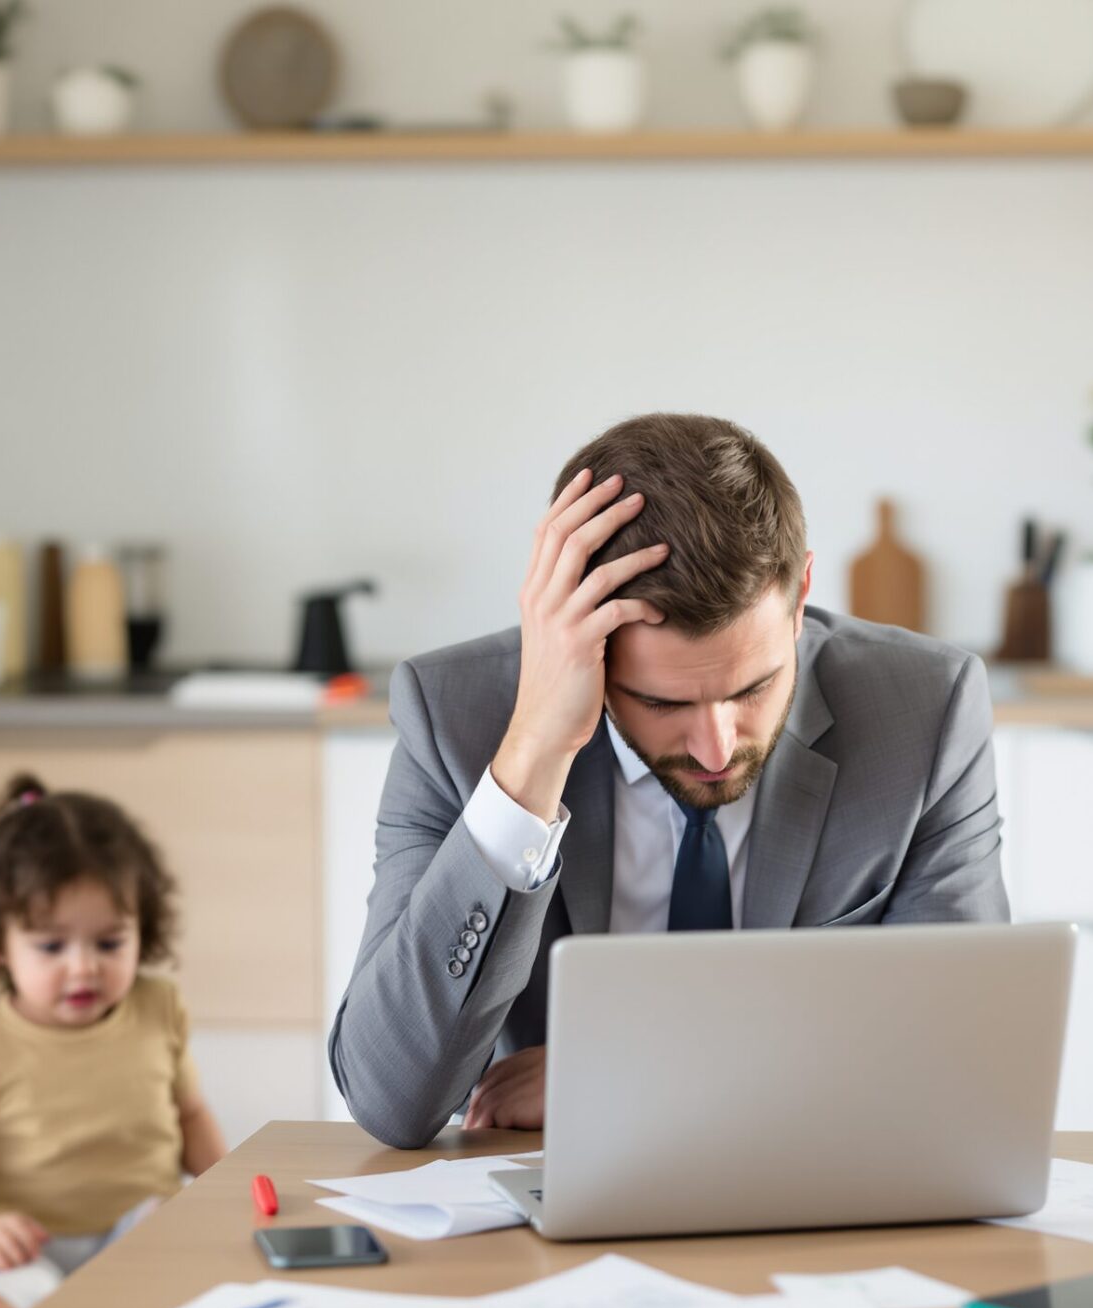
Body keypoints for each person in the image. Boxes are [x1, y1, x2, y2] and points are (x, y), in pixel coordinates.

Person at [331, 412, 1010, 1150]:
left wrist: (617, 1069)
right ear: (585, 646)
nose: (716, 747)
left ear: (801, 592)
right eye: (661, 702)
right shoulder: (456, 718)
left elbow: (960, 1061)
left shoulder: (924, 710)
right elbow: (389, 1097)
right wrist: (531, 756)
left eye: (755, 687)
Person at [0, 774, 226, 1308]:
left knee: (217, 1270)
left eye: (109, 943)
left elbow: (191, 1116)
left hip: (134, 1235)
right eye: (52, 947)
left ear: (141, 930)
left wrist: (223, 1190)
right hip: (18, 1252)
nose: (83, 969)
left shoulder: (158, 1007)